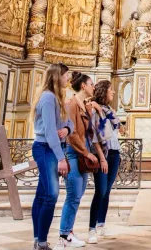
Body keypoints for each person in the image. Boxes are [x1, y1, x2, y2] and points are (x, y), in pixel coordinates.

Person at [32, 64, 73, 250]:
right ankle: (41, 241)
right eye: (66, 76)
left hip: (51, 148)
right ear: (58, 76)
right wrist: (61, 159)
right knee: (51, 194)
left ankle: (38, 239)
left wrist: (66, 129)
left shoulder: (58, 97)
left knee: (42, 194)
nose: (68, 79)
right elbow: (49, 132)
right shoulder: (48, 98)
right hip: (45, 148)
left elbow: (68, 122)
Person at [58, 72, 99, 248]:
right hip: (73, 153)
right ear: (83, 86)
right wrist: (87, 152)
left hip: (81, 154)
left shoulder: (84, 105)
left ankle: (69, 232)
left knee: (78, 194)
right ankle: (64, 236)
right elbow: (71, 133)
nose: (94, 87)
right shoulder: (71, 104)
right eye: (91, 84)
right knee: (73, 195)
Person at [87, 80, 121, 243]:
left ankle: (101, 225)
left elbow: (117, 128)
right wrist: (102, 158)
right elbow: (94, 138)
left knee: (106, 192)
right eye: (111, 90)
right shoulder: (96, 111)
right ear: (104, 92)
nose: (113, 93)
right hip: (104, 154)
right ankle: (92, 229)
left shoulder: (107, 110)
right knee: (100, 191)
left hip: (115, 153)